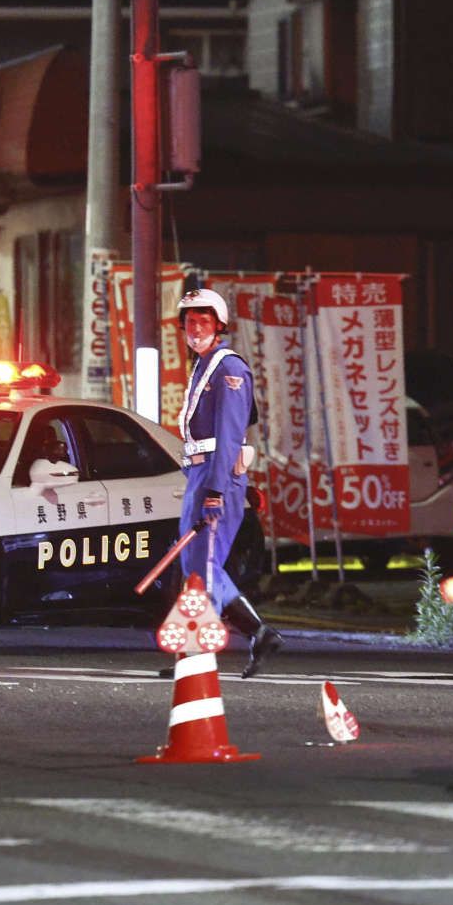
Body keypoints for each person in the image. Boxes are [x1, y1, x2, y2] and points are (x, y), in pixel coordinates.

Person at [176, 287, 282, 678]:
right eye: (190, 321)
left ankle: (242, 638)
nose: (196, 328)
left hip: (216, 477)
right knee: (197, 567)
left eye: (203, 321)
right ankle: (209, 651)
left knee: (202, 567)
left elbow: (229, 434)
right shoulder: (203, 365)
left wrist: (216, 490)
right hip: (200, 474)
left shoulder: (229, 368)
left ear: (219, 325)